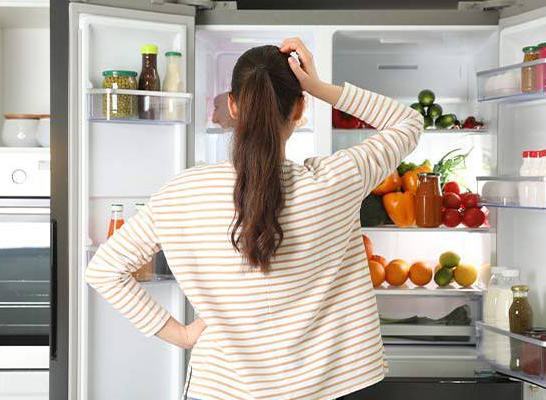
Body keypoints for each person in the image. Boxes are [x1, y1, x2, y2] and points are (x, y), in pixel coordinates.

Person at [85, 38, 423, 400]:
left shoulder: (181, 193)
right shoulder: (337, 180)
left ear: (233, 105)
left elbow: (104, 270)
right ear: (298, 109)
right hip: (333, 388)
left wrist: (181, 335)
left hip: (221, 390)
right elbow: (408, 121)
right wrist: (317, 85)